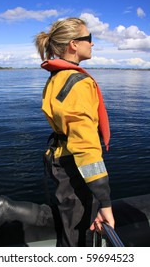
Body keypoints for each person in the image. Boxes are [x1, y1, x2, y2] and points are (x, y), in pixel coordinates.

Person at [35, 17, 115, 247]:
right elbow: (85, 147)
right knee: (77, 234)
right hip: (72, 166)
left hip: (59, 158)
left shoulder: (57, 77)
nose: (92, 43)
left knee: (68, 220)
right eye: (89, 38)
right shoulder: (78, 83)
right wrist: (105, 201)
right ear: (73, 44)